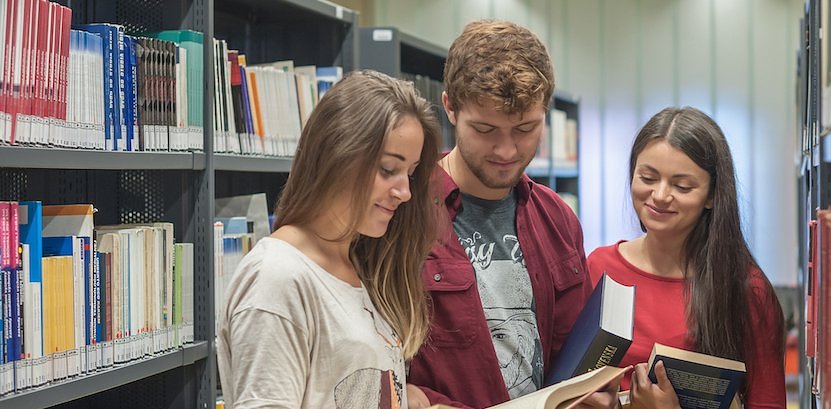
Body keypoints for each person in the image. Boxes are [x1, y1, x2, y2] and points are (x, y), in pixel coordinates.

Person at [216, 70, 441, 409]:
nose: (405, 192)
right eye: (387, 169)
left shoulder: (359, 263)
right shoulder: (276, 277)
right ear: (338, 154)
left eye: (409, 173)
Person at [405, 20, 598, 408]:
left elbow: (576, 357)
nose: (507, 151)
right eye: (486, 129)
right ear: (450, 108)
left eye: (525, 128)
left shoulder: (558, 219)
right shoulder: (402, 212)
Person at [586, 107, 786, 408]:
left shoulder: (745, 288)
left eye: (682, 186)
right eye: (648, 177)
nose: (660, 195)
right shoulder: (599, 267)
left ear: (712, 196)